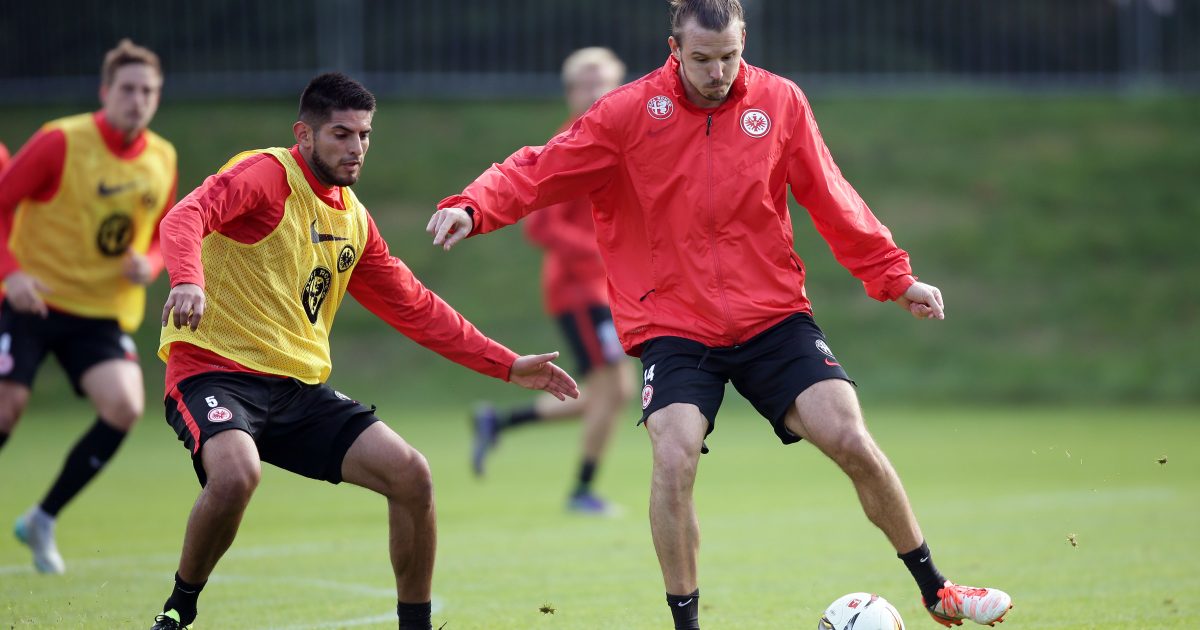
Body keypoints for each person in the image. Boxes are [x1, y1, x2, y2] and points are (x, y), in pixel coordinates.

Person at [426, 1, 1012, 627]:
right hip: (674, 325)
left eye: (730, 56)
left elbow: (830, 193)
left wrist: (894, 278)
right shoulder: (628, 113)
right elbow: (542, 166)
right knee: (673, 455)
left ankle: (937, 591)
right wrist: (474, 205)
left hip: (772, 315)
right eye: (703, 59)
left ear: (744, 42)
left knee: (850, 437)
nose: (719, 71)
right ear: (674, 47)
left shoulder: (781, 102)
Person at [148, 73, 576, 630]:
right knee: (235, 476)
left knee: (412, 476)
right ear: (304, 134)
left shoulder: (351, 218)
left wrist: (506, 364)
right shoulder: (266, 174)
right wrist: (188, 280)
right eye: (341, 134)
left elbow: (415, 307)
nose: (356, 149)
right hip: (214, 372)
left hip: (297, 389)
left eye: (365, 135)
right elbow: (184, 216)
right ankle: (179, 610)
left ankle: (415, 624)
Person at [0, 39, 176, 575]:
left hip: (99, 313)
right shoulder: (60, 141)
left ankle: (43, 519)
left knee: (124, 406)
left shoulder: (161, 157)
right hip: (32, 301)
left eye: (148, 90)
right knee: (7, 407)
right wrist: (11, 276)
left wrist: (150, 262)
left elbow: (168, 233)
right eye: (127, 88)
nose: (137, 99)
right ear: (105, 92)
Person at [470, 47, 634, 515]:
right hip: (577, 288)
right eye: (586, 82)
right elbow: (540, 226)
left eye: (604, 80)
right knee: (613, 391)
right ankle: (581, 491)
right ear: (570, 91)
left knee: (606, 394)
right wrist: (602, 251)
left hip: (601, 287)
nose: (596, 89)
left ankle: (499, 424)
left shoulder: (610, 138)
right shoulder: (569, 141)